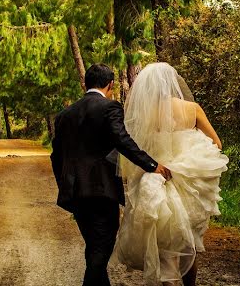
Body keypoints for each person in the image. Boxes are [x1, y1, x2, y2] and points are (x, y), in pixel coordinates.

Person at [51, 63, 173, 286]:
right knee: (102, 246)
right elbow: (123, 141)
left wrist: (66, 185)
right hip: (101, 190)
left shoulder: (64, 115)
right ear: (110, 84)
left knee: (94, 246)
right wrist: (152, 164)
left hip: (75, 193)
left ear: (86, 83)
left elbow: (55, 157)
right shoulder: (109, 108)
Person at [112, 63, 228, 286]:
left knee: (167, 249)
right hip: (189, 184)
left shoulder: (147, 114)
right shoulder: (192, 109)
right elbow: (217, 143)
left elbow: (136, 149)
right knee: (189, 243)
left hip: (158, 179)